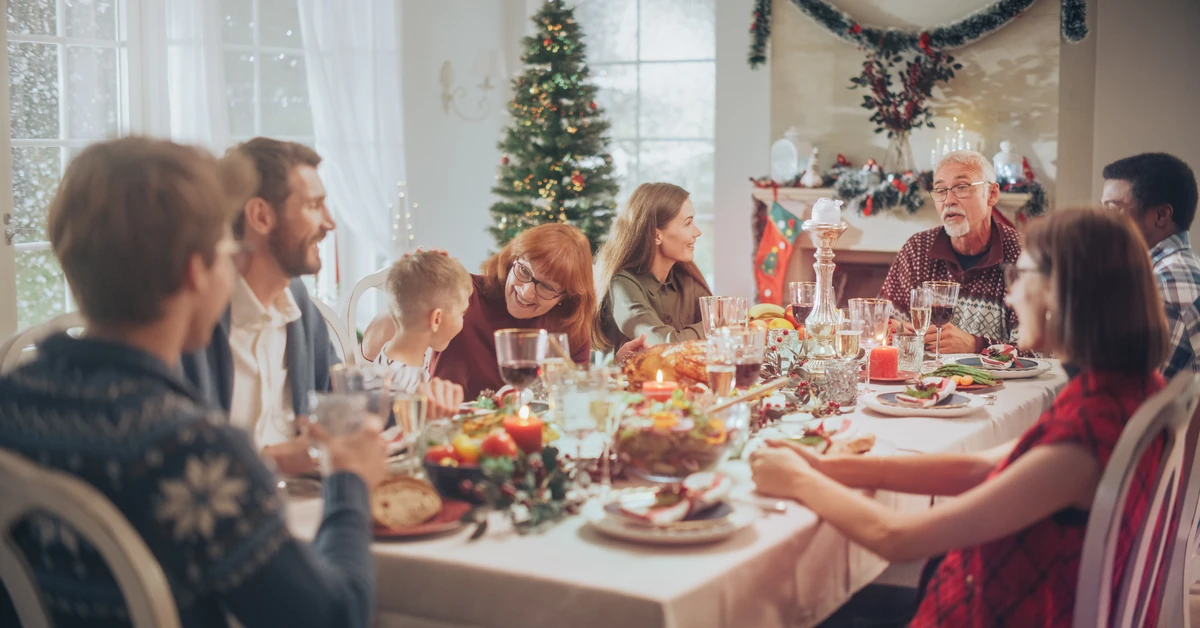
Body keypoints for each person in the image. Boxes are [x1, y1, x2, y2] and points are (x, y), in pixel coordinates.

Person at [0, 137, 386, 628]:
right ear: (195, 274)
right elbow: (333, 617)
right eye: (228, 254)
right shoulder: (195, 451)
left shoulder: (11, 403)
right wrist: (348, 482)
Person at [751, 207, 1170, 627]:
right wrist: (830, 466)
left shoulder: (1084, 438)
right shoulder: (1124, 390)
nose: (1010, 295)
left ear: (1062, 292)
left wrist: (798, 480)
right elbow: (983, 465)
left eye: (1019, 277)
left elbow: (896, 539)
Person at [180, 137, 339, 475]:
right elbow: (179, 462)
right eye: (314, 206)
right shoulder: (191, 323)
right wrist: (272, 461)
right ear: (261, 216)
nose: (329, 222)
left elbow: (335, 397)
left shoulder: (300, 306)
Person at [363, 224, 603, 400]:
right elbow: (370, 351)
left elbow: (573, 400)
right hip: (447, 427)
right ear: (512, 260)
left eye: (547, 287)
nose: (527, 292)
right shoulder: (462, 293)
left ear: (566, 296)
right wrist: (408, 293)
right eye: (524, 272)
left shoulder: (568, 326)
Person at [879, 150, 1022, 354]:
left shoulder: (1023, 256)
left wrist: (977, 346)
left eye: (961, 187)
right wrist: (897, 331)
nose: (948, 200)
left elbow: (1040, 351)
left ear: (992, 194)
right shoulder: (918, 249)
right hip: (926, 383)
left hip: (1000, 386)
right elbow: (883, 324)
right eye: (940, 190)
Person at [1102, 152, 1200, 377]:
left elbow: (1135, 391)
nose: (1102, 220)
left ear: (1161, 215)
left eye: (1112, 209)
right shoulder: (1182, 265)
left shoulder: (1164, 283)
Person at [594, 182, 712, 351]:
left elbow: (725, 339)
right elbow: (663, 344)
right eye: (687, 223)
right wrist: (719, 326)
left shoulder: (686, 281)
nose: (697, 231)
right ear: (657, 235)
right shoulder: (622, 285)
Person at [373, 251, 470, 405]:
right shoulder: (401, 383)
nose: (463, 319)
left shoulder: (411, 346)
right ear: (436, 319)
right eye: (462, 313)